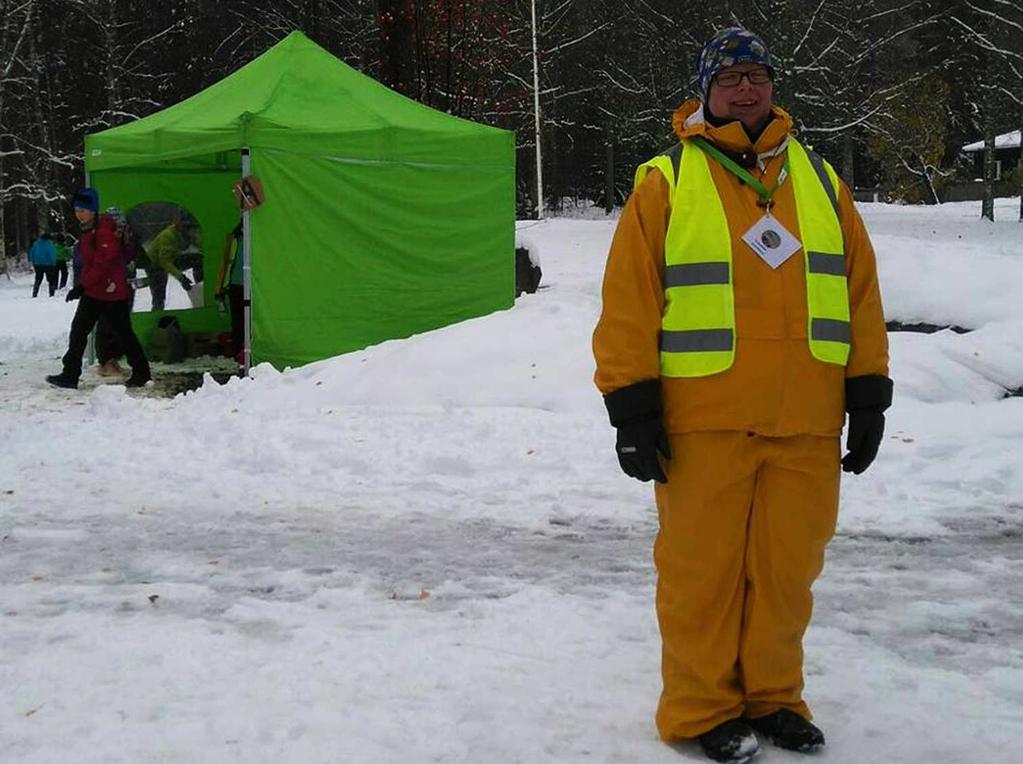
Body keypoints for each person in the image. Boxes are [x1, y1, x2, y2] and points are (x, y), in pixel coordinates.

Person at [592, 28, 891, 763]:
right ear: (705, 92)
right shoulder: (664, 180)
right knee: (702, 577)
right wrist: (630, 408)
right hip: (704, 423)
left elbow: (858, 296)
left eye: (756, 75)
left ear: (772, 86)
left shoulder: (821, 183)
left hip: (806, 421)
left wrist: (869, 395)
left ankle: (774, 698)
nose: (745, 89)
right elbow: (629, 301)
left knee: (787, 575)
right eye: (729, 79)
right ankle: (699, 710)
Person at [46, 188, 151, 390]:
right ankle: (70, 374)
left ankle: (141, 372)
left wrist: (82, 286)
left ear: (93, 210)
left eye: (83, 209)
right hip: (94, 291)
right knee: (78, 331)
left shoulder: (103, 230)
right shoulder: (88, 229)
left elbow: (103, 262)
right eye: (77, 209)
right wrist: (84, 286)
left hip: (111, 292)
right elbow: (90, 263)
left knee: (123, 333)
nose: (79, 213)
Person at [145, 214, 195, 311]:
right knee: (159, 295)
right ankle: (157, 314)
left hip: (170, 258)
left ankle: (200, 287)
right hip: (154, 265)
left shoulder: (179, 234)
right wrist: (181, 277)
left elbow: (184, 247)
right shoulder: (167, 236)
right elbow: (164, 261)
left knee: (197, 259)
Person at [215, 220, 245, 368]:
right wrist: (218, 289)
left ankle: (245, 353)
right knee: (238, 322)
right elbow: (224, 264)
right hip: (235, 286)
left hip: (253, 287)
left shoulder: (258, 240)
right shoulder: (233, 240)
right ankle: (238, 353)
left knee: (249, 321)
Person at [28, 232, 59, 297]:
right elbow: (52, 254)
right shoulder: (50, 244)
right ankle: (51, 293)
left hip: (37, 264)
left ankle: (35, 293)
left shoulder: (36, 243)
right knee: (51, 280)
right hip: (49, 264)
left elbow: (31, 252)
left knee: (38, 279)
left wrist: (32, 261)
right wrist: (54, 263)